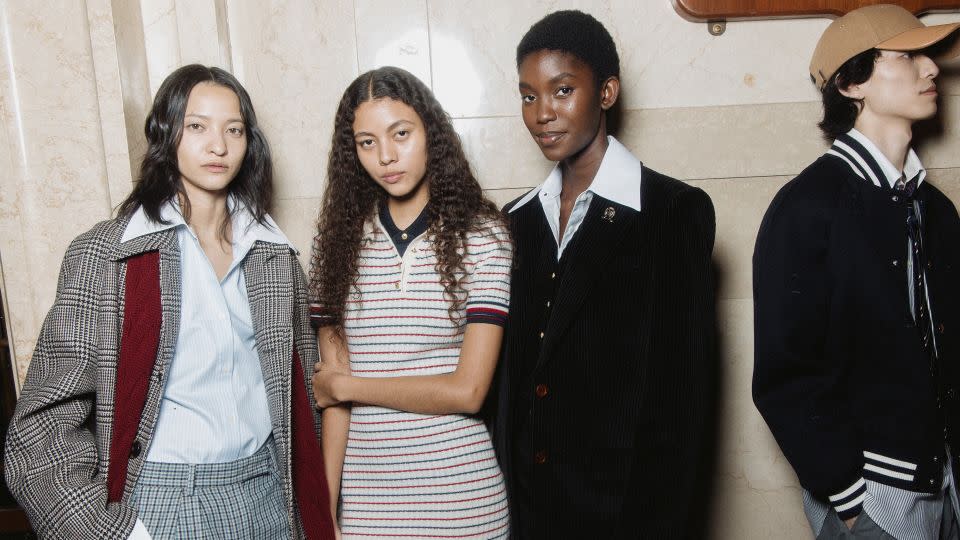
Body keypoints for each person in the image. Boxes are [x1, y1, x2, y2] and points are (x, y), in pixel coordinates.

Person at [3, 64, 334, 540]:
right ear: (166, 131)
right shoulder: (107, 255)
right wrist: (113, 532)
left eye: (233, 129)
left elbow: (301, 402)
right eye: (197, 126)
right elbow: (41, 430)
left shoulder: (275, 257)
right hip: (164, 502)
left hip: (268, 496)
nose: (218, 145)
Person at [495, 10, 717, 539]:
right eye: (529, 96)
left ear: (607, 92)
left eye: (563, 90)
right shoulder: (513, 222)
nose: (543, 113)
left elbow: (683, 404)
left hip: (625, 517)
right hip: (527, 513)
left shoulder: (672, 211)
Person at [753, 5, 960, 539]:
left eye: (928, 56)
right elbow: (785, 376)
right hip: (876, 501)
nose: (931, 69)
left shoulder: (936, 211)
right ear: (851, 83)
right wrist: (850, 499)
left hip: (949, 489)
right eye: (908, 56)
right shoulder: (806, 208)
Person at [309, 66, 512, 540]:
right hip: (365, 507)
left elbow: (469, 391)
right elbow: (333, 399)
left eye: (401, 134)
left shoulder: (484, 237)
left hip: (463, 503)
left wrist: (351, 386)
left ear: (429, 132)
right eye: (366, 142)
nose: (386, 156)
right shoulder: (335, 243)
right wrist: (327, 509)